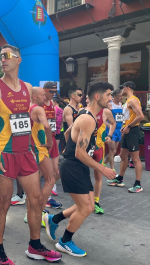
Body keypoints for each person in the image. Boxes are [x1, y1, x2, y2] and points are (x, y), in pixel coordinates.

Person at [0, 44, 61, 264]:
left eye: (7, 56)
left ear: (19, 59)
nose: (2, 60)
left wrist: (35, 146)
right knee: (4, 202)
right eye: (0, 56)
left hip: (25, 153)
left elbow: (25, 119)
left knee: (36, 200)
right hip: (3, 153)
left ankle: (35, 246)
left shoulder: (27, 88)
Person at [43, 81, 116, 257]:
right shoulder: (87, 119)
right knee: (85, 208)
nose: (111, 98)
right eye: (108, 95)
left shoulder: (86, 114)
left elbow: (68, 133)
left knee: (88, 205)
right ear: (97, 97)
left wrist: (68, 149)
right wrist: (103, 169)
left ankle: (54, 219)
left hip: (79, 166)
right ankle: (65, 241)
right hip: (74, 166)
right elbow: (80, 153)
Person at [28, 87, 61, 223]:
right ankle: (38, 213)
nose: (45, 97)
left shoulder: (28, 108)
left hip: (32, 148)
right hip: (40, 148)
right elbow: (47, 126)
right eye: (42, 95)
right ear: (35, 97)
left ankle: (31, 213)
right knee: (50, 179)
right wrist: (50, 142)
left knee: (35, 185)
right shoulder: (38, 109)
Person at [108, 81, 145, 193]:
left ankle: (138, 184)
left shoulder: (133, 100)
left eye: (122, 88)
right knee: (123, 155)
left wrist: (128, 126)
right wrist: (125, 127)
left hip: (132, 130)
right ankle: (120, 178)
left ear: (127, 88)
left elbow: (141, 116)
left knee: (135, 158)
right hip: (126, 130)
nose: (121, 90)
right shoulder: (127, 101)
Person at [84, 97, 116, 215]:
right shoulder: (84, 111)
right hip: (85, 149)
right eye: (87, 98)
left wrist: (110, 136)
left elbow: (113, 123)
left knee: (98, 175)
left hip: (99, 148)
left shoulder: (106, 111)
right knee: (83, 174)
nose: (88, 100)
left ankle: (96, 201)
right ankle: (85, 200)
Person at [41, 82, 62, 208]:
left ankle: (46, 197)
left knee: (55, 171)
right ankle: (38, 199)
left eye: (55, 92)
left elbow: (52, 125)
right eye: (51, 92)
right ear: (45, 90)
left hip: (52, 140)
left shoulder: (53, 105)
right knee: (39, 174)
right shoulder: (39, 105)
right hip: (42, 142)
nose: (54, 94)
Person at [105, 89, 123, 171]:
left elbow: (121, 118)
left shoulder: (121, 105)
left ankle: (104, 164)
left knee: (114, 151)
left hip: (119, 130)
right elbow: (104, 120)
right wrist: (109, 126)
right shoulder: (110, 105)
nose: (121, 97)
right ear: (115, 97)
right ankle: (112, 169)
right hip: (111, 131)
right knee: (112, 150)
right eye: (120, 96)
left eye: (122, 96)